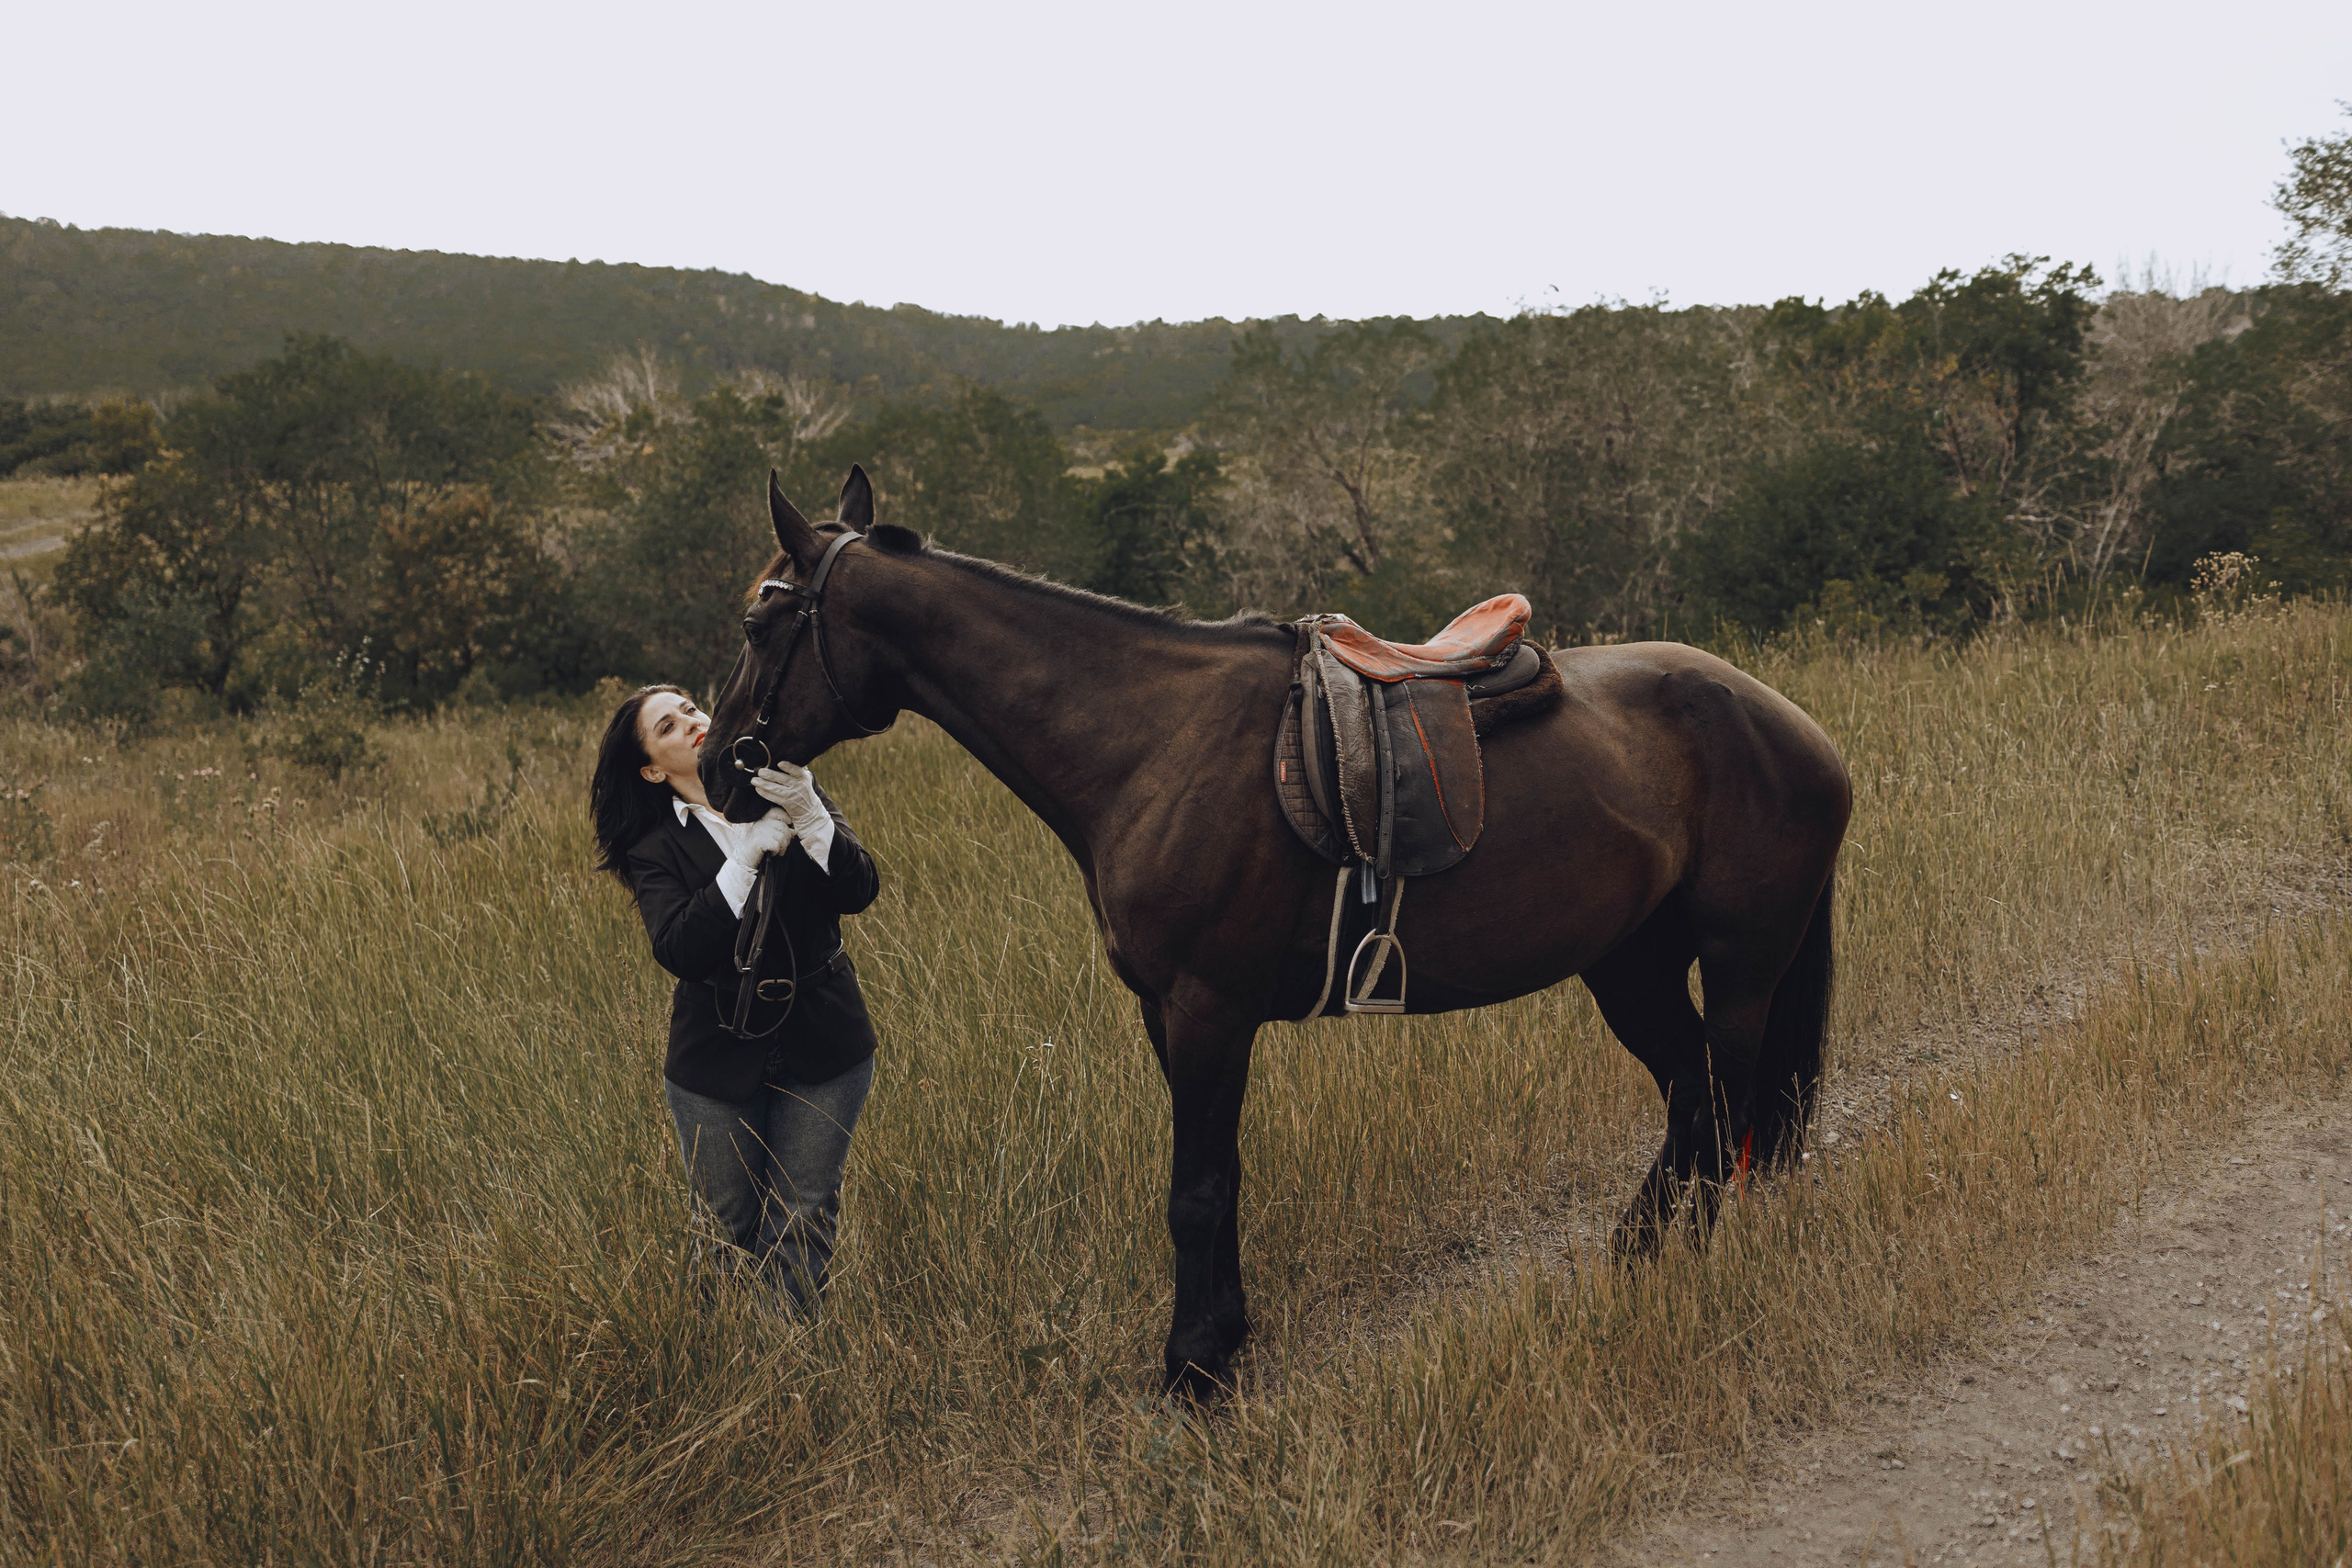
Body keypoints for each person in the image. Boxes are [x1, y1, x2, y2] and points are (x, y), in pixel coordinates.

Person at [589, 683, 882, 1316]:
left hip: (825, 1038)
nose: (692, 722)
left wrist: (809, 813)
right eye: (668, 725)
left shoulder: (784, 784)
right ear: (650, 767)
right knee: (725, 1225)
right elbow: (680, 947)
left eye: (692, 708)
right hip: (714, 1053)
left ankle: (786, 1369)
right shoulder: (654, 846)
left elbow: (859, 888)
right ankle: (729, 1367)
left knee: (804, 1212)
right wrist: (743, 857)